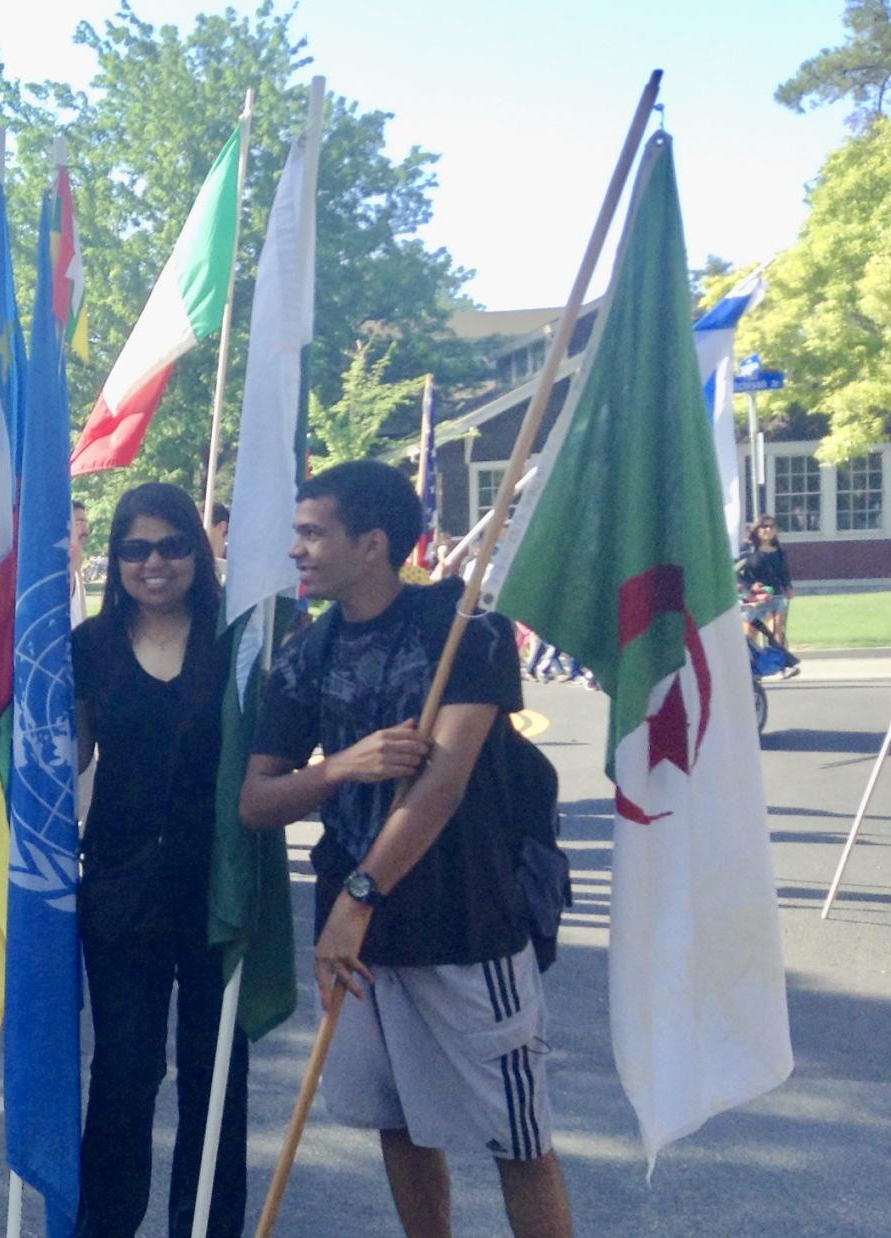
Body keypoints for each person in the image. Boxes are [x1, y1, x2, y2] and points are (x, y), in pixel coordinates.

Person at [239, 460, 572, 1238]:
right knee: (400, 1124)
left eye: (313, 533)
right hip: (357, 947)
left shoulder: (463, 633)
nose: (298, 550)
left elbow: (441, 786)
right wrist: (344, 766)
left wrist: (359, 898)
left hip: (466, 922)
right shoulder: (307, 652)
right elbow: (257, 801)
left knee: (517, 1138)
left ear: (373, 544)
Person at [70, 482, 248, 1238]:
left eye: (172, 545)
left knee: (216, 1082)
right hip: (120, 887)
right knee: (123, 1073)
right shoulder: (89, 646)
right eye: (135, 548)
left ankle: (206, 1228)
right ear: (115, 559)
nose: (154, 562)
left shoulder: (238, 637)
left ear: (197, 551)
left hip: (218, 887)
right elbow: (68, 758)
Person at [738, 516, 799, 671]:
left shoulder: (779, 551)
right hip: (753, 599)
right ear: (757, 529)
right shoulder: (747, 549)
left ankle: (781, 663)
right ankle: (751, 667)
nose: (768, 530)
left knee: (776, 629)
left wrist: (788, 587)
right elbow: (735, 573)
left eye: (771, 527)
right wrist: (751, 585)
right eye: (764, 527)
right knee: (750, 636)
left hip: (776, 596)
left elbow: (784, 573)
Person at [68, 499, 92, 628]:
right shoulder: (60, 576)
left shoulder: (77, 572)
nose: (85, 527)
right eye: (78, 522)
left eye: (85, 521)